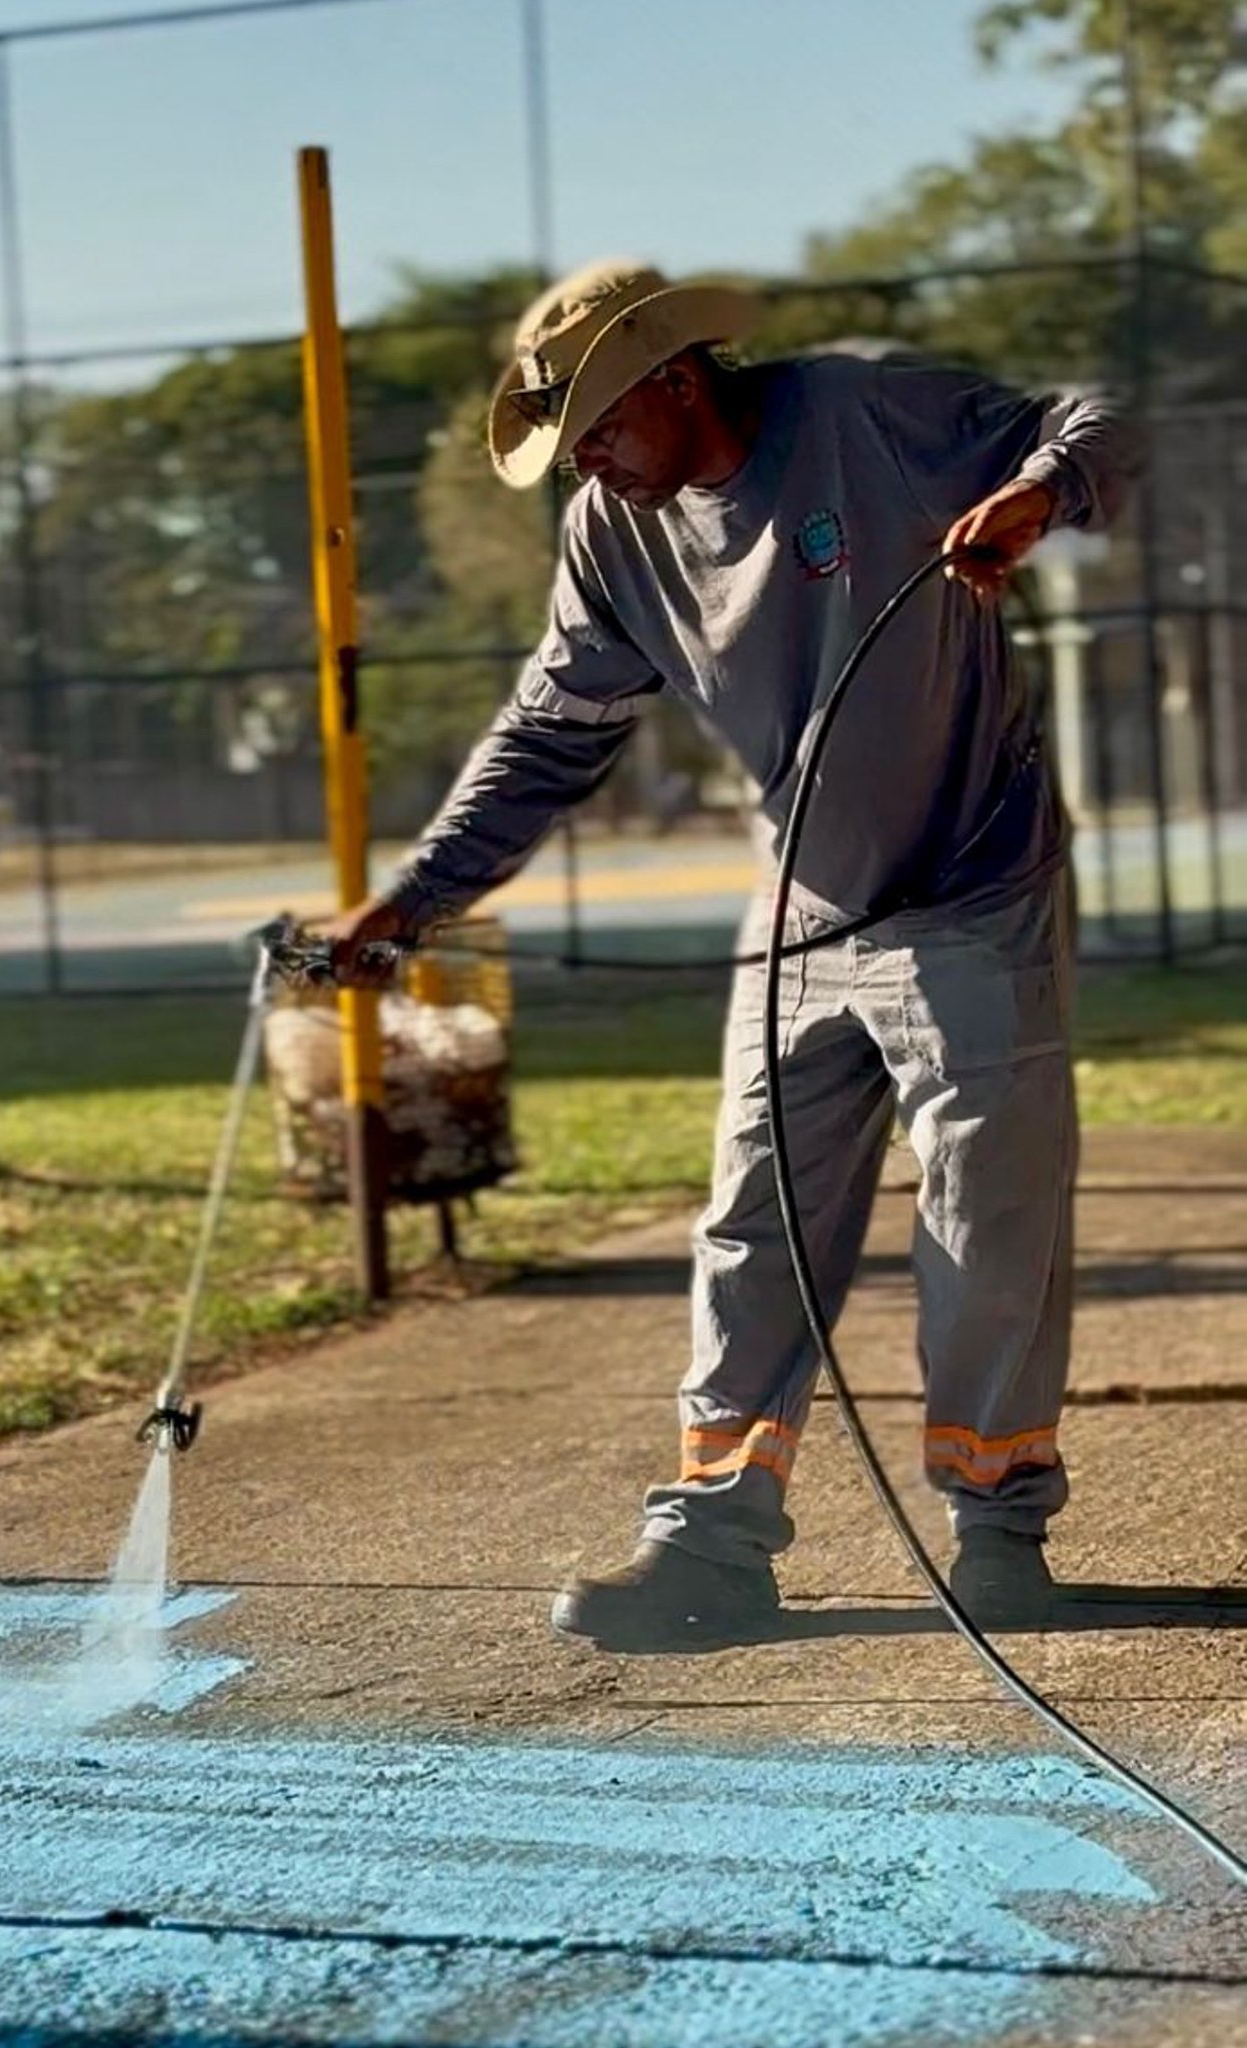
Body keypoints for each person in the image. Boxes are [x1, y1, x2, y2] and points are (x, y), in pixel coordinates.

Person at [327, 259, 1138, 1651]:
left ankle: (999, 1533)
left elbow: (1102, 416)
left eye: (595, 423)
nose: (584, 458)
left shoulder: (863, 410)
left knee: (981, 1218)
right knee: (749, 1228)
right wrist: (418, 897)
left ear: (671, 378)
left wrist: (1037, 493)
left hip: (971, 887)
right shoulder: (611, 528)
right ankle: (709, 1547)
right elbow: (547, 732)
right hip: (801, 910)